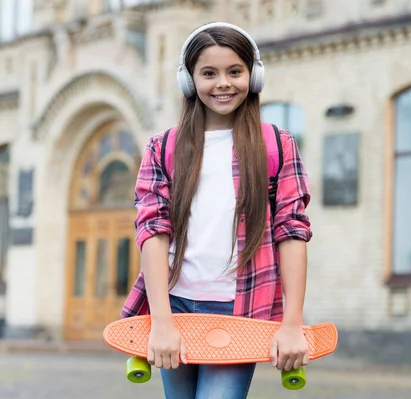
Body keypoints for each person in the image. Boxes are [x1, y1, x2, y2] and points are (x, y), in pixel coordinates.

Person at [121, 21, 313, 399]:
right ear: (189, 81)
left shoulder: (277, 145)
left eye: (235, 71)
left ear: (253, 76)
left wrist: (293, 323)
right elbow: (152, 233)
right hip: (174, 308)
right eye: (209, 73)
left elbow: (292, 233)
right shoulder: (163, 148)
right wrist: (161, 321)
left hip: (238, 310)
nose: (223, 83)